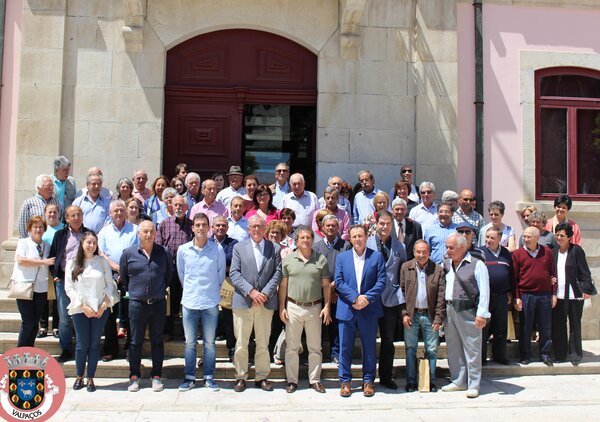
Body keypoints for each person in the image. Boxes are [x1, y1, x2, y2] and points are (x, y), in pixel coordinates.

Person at [229, 215, 282, 392]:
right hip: (244, 301)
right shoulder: (238, 248)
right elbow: (234, 273)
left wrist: (265, 293)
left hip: (265, 303)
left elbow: (278, 273)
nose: (257, 229)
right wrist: (251, 291)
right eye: (253, 227)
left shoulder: (274, 247)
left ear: (265, 228)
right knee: (241, 343)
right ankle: (241, 376)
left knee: (263, 342)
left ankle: (262, 377)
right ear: (248, 229)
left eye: (260, 226)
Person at [121, 221, 173, 393]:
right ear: (139, 234)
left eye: (151, 231)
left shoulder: (164, 252)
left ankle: (156, 375)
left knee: (157, 341)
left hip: (158, 304)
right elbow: (124, 277)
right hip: (137, 304)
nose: (149, 235)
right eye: (145, 231)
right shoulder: (128, 253)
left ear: (156, 233)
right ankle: (134, 376)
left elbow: (168, 276)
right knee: (135, 341)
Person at [335, 224, 386, 397]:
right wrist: (355, 298)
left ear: (366, 237)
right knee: (345, 347)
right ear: (350, 239)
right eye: (354, 236)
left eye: (360, 236)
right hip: (347, 309)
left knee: (369, 347)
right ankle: (345, 381)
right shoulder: (342, 258)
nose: (357, 239)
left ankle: (368, 381)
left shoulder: (376, 257)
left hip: (369, 309)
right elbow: (339, 282)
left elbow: (381, 282)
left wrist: (366, 298)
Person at [279, 225, 331, 394]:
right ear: (297, 240)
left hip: (314, 307)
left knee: (315, 347)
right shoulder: (288, 260)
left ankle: (314, 380)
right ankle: (292, 381)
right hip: (293, 307)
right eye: (302, 237)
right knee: (292, 347)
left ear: (312, 240)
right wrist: (282, 307)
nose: (306, 240)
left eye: (308, 237)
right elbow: (283, 285)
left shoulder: (320, 260)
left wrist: (327, 306)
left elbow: (326, 285)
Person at [177, 212, 225, 392]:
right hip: (189, 302)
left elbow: (220, 275)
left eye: (204, 225)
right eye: (197, 225)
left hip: (210, 302)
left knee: (209, 343)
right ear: (192, 227)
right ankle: (189, 377)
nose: (201, 228)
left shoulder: (217, 250)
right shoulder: (183, 250)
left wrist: (211, 292)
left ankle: (209, 377)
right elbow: (182, 275)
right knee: (190, 342)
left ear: (209, 227)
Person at [441, 233, 490, 399]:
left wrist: (482, 314)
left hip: (468, 310)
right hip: (449, 309)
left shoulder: (477, 264)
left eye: (451, 247)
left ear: (462, 247)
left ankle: (474, 383)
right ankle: (458, 380)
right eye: (447, 247)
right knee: (453, 347)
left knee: (472, 347)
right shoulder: (446, 263)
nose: (448, 250)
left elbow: (484, 291)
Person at [64, 231, 114, 392]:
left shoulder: (102, 262)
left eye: (94, 243)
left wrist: (103, 304)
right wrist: (83, 306)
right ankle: (79, 376)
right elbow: (69, 287)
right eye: (89, 242)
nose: (92, 246)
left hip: (100, 308)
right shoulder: (72, 263)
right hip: (80, 309)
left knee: (94, 344)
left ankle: (91, 378)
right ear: (82, 244)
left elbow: (110, 284)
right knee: (81, 344)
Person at [366, 210, 406, 390]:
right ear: (376, 224)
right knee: (368, 339)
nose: (385, 227)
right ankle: (368, 378)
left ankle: (385, 376)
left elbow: (403, 271)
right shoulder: (366, 243)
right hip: (370, 298)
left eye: (388, 224)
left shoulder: (399, 246)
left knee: (388, 340)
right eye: (381, 223)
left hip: (391, 298)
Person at [400, 240, 445, 392]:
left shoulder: (438, 270)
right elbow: (401, 292)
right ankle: (411, 381)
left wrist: (438, 318)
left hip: (429, 315)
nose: (421, 255)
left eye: (424, 252)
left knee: (432, 349)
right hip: (411, 315)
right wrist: (404, 314)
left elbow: (441, 297)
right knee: (410, 348)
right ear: (413, 252)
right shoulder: (406, 267)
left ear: (429, 253)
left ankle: (430, 381)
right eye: (418, 252)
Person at [97, 200, 139, 361]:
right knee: (109, 313)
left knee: (131, 313)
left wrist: (125, 270)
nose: (119, 213)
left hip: (130, 277)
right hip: (109, 277)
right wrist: (116, 268)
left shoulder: (135, 230)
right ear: (110, 214)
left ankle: (130, 348)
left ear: (126, 212)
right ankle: (110, 348)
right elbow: (101, 254)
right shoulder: (104, 232)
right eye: (115, 211)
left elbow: (138, 252)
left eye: (122, 210)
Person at [49, 205, 91, 362]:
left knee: (82, 315)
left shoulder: (89, 234)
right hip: (63, 281)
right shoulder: (60, 235)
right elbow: (53, 256)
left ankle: (82, 347)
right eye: (73, 215)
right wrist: (55, 275)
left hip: (84, 281)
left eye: (79, 214)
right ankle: (66, 348)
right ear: (66, 218)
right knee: (65, 318)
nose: (76, 218)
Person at [552, 223, 596, 365]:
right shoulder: (553, 251)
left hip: (575, 294)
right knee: (559, 325)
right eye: (557, 235)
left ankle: (575, 354)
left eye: (562, 235)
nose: (559, 238)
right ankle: (560, 354)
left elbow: (584, 271)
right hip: (558, 295)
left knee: (575, 324)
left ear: (569, 237)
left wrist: (586, 290)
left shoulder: (576, 250)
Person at [512, 226, 557, 366]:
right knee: (526, 327)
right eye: (524, 236)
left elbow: (553, 273)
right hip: (526, 295)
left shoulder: (547, 252)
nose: (525, 239)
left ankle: (545, 355)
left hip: (544, 295)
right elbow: (514, 278)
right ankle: (525, 355)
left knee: (545, 326)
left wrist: (554, 293)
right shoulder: (518, 254)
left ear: (537, 238)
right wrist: (517, 297)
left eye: (529, 237)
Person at [313, 215, 352, 366]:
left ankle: (335, 354)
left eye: (333, 225)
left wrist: (335, 289)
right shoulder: (316, 247)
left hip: (338, 292)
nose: (330, 228)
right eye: (327, 225)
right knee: (318, 324)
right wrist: (326, 288)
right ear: (322, 228)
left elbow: (347, 269)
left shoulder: (345, 246)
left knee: (335, 324)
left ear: (338, 227)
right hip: (319, 291)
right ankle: (316, 354)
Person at [12, 216, 54, 347]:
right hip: (24, 286)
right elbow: (21, 260)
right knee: (28, 321)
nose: (38, 229)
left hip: (41, 288)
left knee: (35, 322)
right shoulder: (23, 242)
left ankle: (29, 350)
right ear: (30, 228)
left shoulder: (47, 246)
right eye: (35, 227)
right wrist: (43, 262)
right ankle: (19, 351)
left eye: (41, 227)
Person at [155, 194, 193, 339]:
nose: (178, 207)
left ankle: (187, 333)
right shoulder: (164, 224)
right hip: (169, 267)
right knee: (169, 301)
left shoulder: (192, 225)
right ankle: (167, 332)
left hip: (188, 268)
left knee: (186, 300)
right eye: (176, 205)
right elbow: (158, 246)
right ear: (171, 206)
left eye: (181, 205)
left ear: (186, 207)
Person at [482, 226, 513, 365]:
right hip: (485, 297)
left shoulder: (506, 253)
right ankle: (481, 357)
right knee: (484, 328)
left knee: (501, 328)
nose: (489, 240)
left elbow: (511, 274)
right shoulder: (480, 252)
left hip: (501, 296)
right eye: (487, 237)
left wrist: (510, 292)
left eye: (492, 238)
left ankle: (499, 356)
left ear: (500, 239)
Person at [212, 216, 238, 361]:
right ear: (212, 227)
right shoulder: (206, 242)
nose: (220, 227)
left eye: (223, 225)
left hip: (228, 284)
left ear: (228, 227)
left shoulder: (234, 243)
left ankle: (232, 349)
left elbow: (233, 259)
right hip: (210, 284)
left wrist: (214, 260)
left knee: (229, 319)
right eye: (218, 225)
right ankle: (208, 353)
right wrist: (223, 263)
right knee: (209, 319)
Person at [38, 203, 64, 338]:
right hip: (43, 268)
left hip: (58, 268)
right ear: (45, 214)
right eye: (50, 212)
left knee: (58, 299)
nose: (52, 215)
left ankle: (56, 327)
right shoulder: (41, 228)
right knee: (43, 298)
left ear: (59, 213)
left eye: (55, 212)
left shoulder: (64, 228)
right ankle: (43, 326)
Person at [18, 174, 61, 238]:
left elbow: (60, 220)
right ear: (39, 187)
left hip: (53, 240)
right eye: (48, 186)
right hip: (35, 241)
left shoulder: (57, 203)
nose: (51, 188)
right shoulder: (29, 203)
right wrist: (26, 241)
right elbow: (23, 226)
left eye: (52, 185)